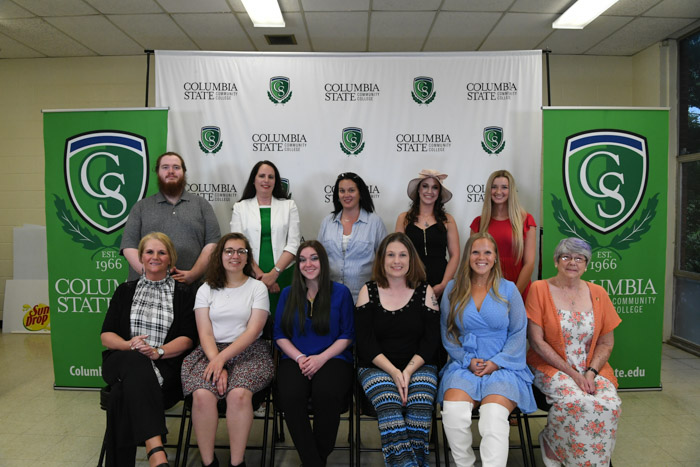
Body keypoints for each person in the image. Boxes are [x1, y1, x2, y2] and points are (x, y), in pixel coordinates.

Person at [438, 232, 535, 467]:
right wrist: (466, 360)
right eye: (475, 252)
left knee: (493, 417)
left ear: (495, 258)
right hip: (464, 365)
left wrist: (497, 362)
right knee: (454, 412)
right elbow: (448, 332)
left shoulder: (509, 289)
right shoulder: (453, 289)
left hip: (504, 366)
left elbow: (518, 332)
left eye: (487, 252)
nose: (481, 257)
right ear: (468, 257)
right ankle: (465, 465)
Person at [101, 232, 197, 467]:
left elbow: (188, 338)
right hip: (120, 361)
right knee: (135, 359)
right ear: (141, 258)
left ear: (170, 259)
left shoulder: (184, 294)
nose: (155, 257)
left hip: (164, 369)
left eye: (161, 252)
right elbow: (106, 335)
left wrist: (158, 352)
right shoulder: (124, 291)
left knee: (122, 394)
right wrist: (128, 345)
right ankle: (156, 449)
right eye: (149, 252)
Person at [180, 233, 275, 467]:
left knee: (238, 395)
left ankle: (236, 462)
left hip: (250, 351)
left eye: (241, 251)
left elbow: (253, 331)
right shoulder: (205, 289)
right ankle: (208, 462)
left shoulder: (258, 288)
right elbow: (205, 333)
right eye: (229, 251)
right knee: (202, 396)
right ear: (220, 256)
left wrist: (222, 360)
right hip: (209, 350)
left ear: (247, 258)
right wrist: (216, 362)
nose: (235, 256)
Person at [526, 238, 621, 467]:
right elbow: (537, 342)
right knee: (575, 401)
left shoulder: (598, 293)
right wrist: (573, 374)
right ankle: (555, 447)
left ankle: (592, 461)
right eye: (566, 257)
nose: (572, 262)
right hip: (551, 366)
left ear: (586, 265)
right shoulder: (539, 289)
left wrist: (589, 372)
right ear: (556, 261)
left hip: (590, 368)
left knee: (609, 403)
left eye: (579, 258)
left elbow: (606, 343)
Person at [355, 232, 440, 467]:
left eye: (403, 255)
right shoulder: (368, 291)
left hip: (420, 365)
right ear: (382, 260)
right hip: (376, 367)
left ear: (411, 259)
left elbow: (431, 340)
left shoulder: (426, 292)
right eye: (390, 255)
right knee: (390, 403)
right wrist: (394, 372)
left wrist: (409, 371)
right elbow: (365, 342)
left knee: (420, 402)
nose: (396, 261)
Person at [273, 240, 355, 467]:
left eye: (314, 258)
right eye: (302, 260)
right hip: (295, 359)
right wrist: (300, 357)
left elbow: (348, 334)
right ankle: (314, 462)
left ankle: (313, 460)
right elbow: (279, 333)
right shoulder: (288, 294)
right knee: (290, 395)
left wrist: (321, 358)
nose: (308, 264)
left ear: (323, 262)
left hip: (333, 358)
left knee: (326, 394)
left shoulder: (341, 293)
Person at [121, 151, 221, 284]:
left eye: (176, 167)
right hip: (147, 287)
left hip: (192, 287)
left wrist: (193, 274)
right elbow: (129, 246)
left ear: (184, 172)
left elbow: (212, 243)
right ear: (158, 172)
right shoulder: (141, 207)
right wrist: (151, 274)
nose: (171, 171)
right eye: (165, 167)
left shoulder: (202, 205)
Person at [230, 160, 301, 315]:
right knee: (252, 321)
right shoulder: (240, 208)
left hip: (283, 275)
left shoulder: (289, 206)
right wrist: (262, 277)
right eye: (262, 176)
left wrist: (274, 275)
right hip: (249, 274)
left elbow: (294, 244)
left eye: (271, 177)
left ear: (276, 181)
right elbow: (238, 246)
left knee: (283, 320)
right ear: (253, 180)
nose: (266, 180)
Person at [318, 172, 387, 302]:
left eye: (351, 190)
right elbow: (319, 259)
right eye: (342, 191)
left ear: (360, 193)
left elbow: (384, 260)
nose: (346, 195)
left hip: (365, 297)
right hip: (331, 296)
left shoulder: (375, 222)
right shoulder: (327, 222)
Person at [471, 170, 536, 300]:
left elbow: (529, 263)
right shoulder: (479, 223)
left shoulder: (526, 220)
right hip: (486, 289)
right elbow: (473, 261)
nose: (498, 192)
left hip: (519, 287)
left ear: (511, 191)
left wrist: (514, 295)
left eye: (504, 187)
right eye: (494, 187)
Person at [396, 169, 460, 298]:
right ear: (418, 190)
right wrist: (403, 282)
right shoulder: (404, 219)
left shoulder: (448, 220)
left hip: (441, 283)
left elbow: (455, 255)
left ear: (439, 193)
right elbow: (398, 253)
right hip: (410, 283)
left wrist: (443, 285)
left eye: (435, 187)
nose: (429, 191)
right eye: (425, 186)